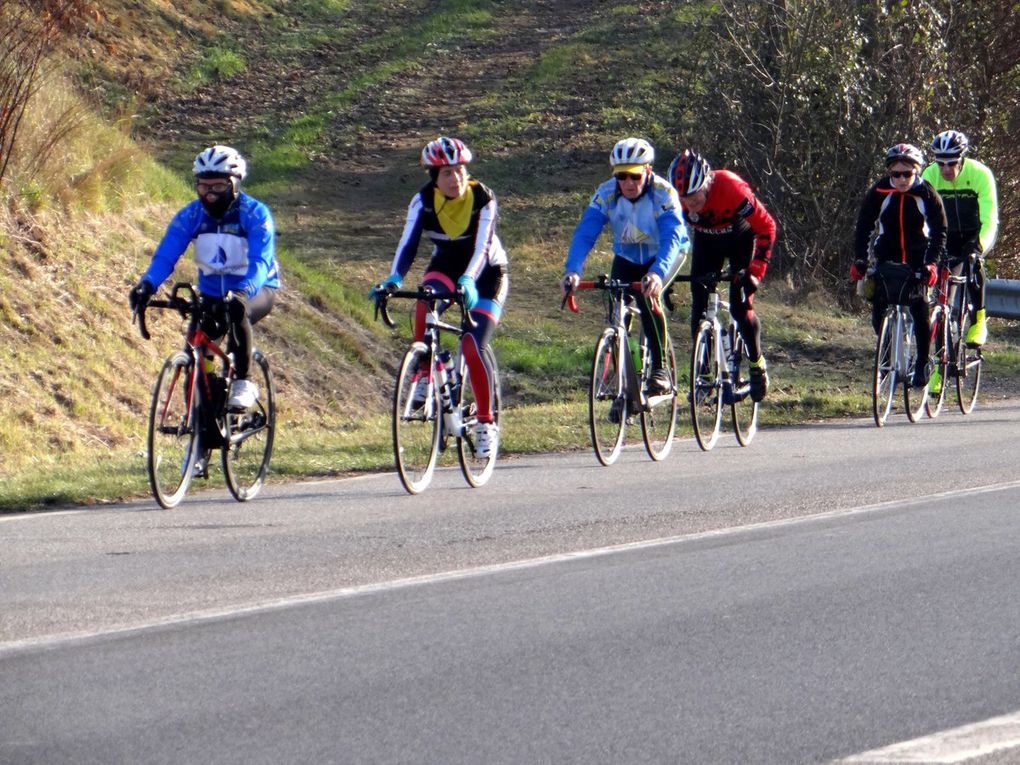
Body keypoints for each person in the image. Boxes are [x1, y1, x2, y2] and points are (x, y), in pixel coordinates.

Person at [370, 137, 509, 459]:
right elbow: (407, 245)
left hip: (487, 273)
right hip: (446, 265)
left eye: (460, 170)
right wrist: (393, 278)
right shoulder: (422, 201)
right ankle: (422, 370)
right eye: (447, 173)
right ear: (434, 177)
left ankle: (486, 422)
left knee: (472, 345)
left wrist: (468, 281)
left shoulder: (482, 198)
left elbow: (483, 248)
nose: (456, 178)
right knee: (424, 301)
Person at [129, 145, 280, 412]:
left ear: (234, 184)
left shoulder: (254, 214)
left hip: (256, 289)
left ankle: (244, 380)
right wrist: (147, 284)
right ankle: (201, 433)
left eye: (218, 187)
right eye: (203, 187)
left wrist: (244, 292)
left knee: (237, 316)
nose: (209, 196)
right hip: (211, 294)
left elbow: (260, 261)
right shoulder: (191, 215)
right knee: (197, 360)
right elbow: (166, 255)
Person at [561, 137, 690, 404]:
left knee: (647, 298)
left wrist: (657, 273)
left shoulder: (664, 194)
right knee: (616, 312)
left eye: (635, 176)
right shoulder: (606, 193)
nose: (629, 183)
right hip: (627, 258)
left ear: (648, 171)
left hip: (665, 255)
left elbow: (672, 236)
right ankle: (626, 385)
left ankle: (660, 369)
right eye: (622, 176)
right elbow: (586, 232)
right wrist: (573, 270)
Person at [667, 149, 776, 401]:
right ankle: (704, 375)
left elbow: (767, 227)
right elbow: (671, 238)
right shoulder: (675, 201)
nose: (689, 205)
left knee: (740, 307)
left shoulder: (731, 188)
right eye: (683, 199)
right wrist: (666, 276)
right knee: (700, 307)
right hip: (707, 244)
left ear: (706, 183)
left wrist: (755, 272)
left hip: (741, 241)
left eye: (694, 197)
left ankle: (757, 363)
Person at [851, 143, 947, 388]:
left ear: (917, 171)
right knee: (878, 313)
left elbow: (939, 232)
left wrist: (932, 264)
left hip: (918, 257)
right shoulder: (879, 191)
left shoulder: (927, 193)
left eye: (907, 174)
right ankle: (889, 353)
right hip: (887, 256)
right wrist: (860, 259)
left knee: (919, 309)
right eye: (896, 174)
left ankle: (923, 362)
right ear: (889, 173)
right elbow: (863, 227)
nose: (902, 179)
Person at [920, 130, 999, 375]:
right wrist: (925, 243)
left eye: (951, 163)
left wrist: (979, 247)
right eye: (940, 162)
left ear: (962, 159)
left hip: (973, 235)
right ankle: (937, 371)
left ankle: (978, 320)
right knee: (941, 304)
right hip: (944, 238)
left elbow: (990, 217)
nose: (945, 169)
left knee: (974, 266)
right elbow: (922, 217)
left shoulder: (979, 174)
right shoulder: (929, 175)